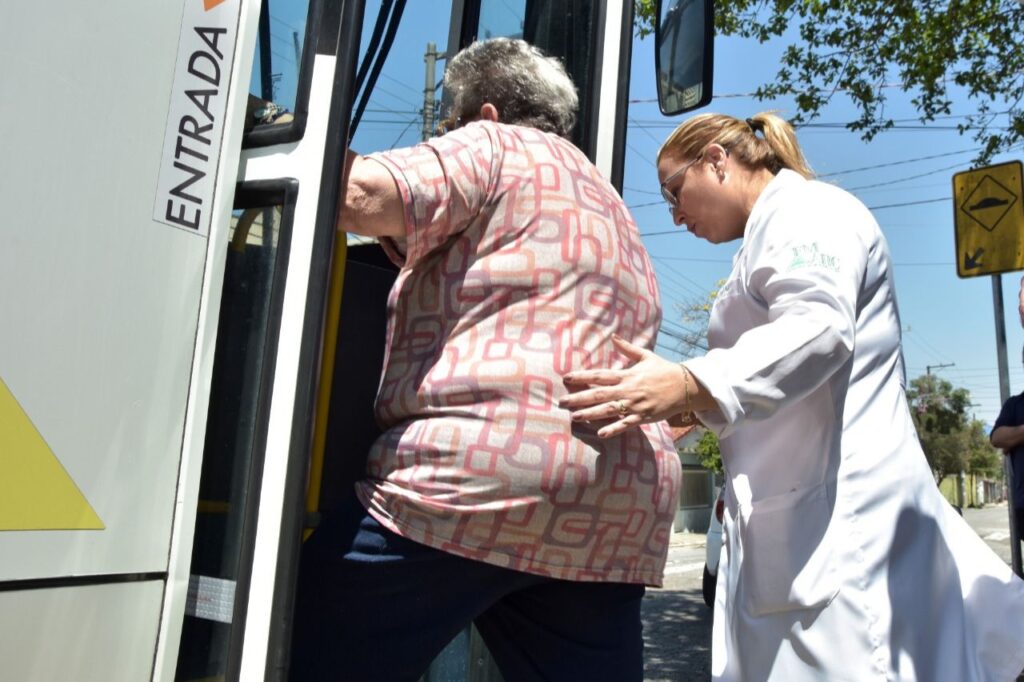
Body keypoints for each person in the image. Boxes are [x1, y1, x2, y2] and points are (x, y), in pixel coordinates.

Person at [559, 111, 1024, 681]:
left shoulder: (811, 212)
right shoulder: (763, 238)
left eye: (673, 190)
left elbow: (820, 330)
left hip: (840, 534)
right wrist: (693, 408)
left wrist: (689, 382)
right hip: (798, 529)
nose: (675, 214)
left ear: (715, 159)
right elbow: (784, 385)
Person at [288, 38, 680, 681]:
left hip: (483, 479)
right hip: (614, 504)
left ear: (486, 112)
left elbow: (356, 194)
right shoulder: (606, 199)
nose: (447, 135)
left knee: (301, 641)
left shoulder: (493, 144)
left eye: (450, 123)